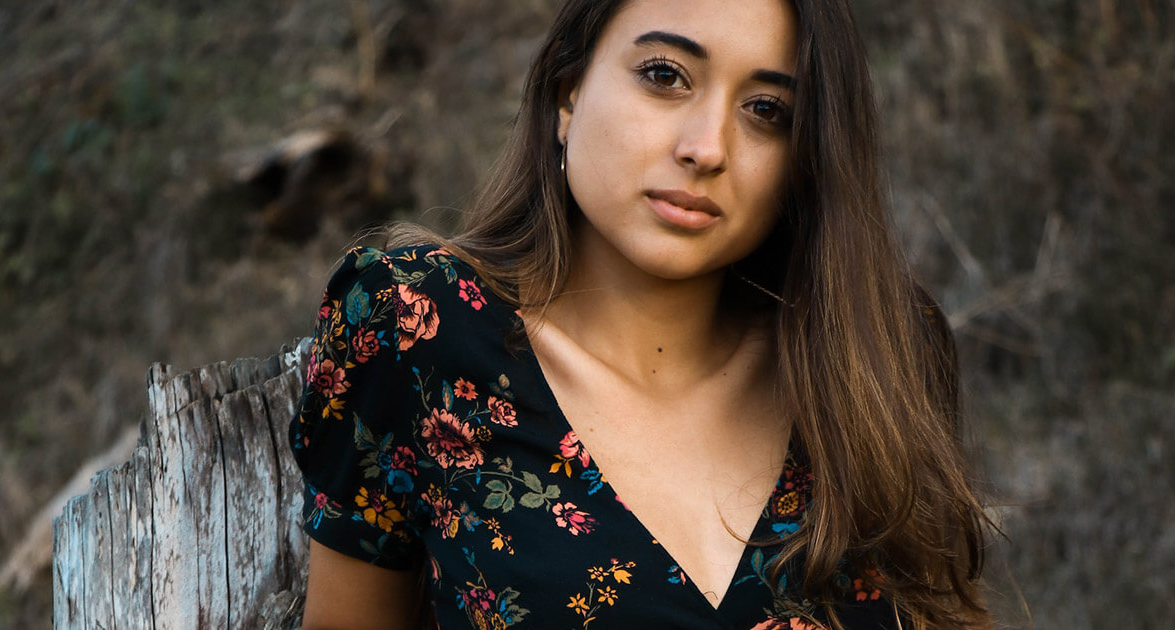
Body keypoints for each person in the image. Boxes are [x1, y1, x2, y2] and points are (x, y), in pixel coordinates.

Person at [289, 0, 993, 628]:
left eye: (768, 111)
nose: (707, 148)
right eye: (664, 76)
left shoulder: (873, 352)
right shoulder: (417, 323)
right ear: (568, 92)